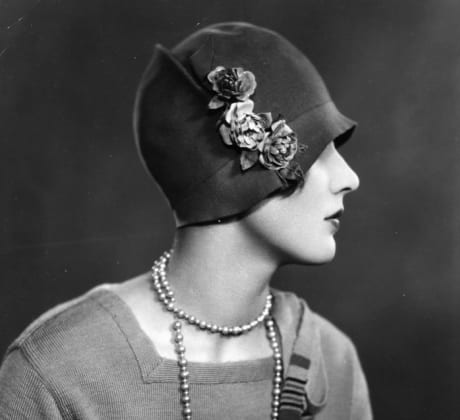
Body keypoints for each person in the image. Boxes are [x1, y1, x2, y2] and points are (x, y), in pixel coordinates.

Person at [0, 22, 372, 419]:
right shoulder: (57, 371)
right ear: (236, 173)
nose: (350, 178)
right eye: (318, 149)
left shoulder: (332, 359)